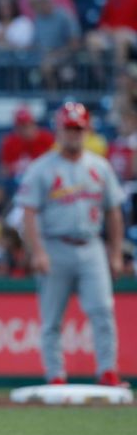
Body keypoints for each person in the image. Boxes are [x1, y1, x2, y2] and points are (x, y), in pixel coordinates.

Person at [15, 102, 129, 387]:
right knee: (52, 317)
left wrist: (115, 253)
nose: (73, 134)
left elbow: (114, 212)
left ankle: (108, 371)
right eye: (69, 128)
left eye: (78, 128)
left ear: (87, 130)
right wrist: (38, 252)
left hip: (92, 246)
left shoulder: (99, 167)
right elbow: (28, 213)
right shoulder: (42, 167)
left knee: (102, 310)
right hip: (55, 246)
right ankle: (55, 376)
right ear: (58, 130)